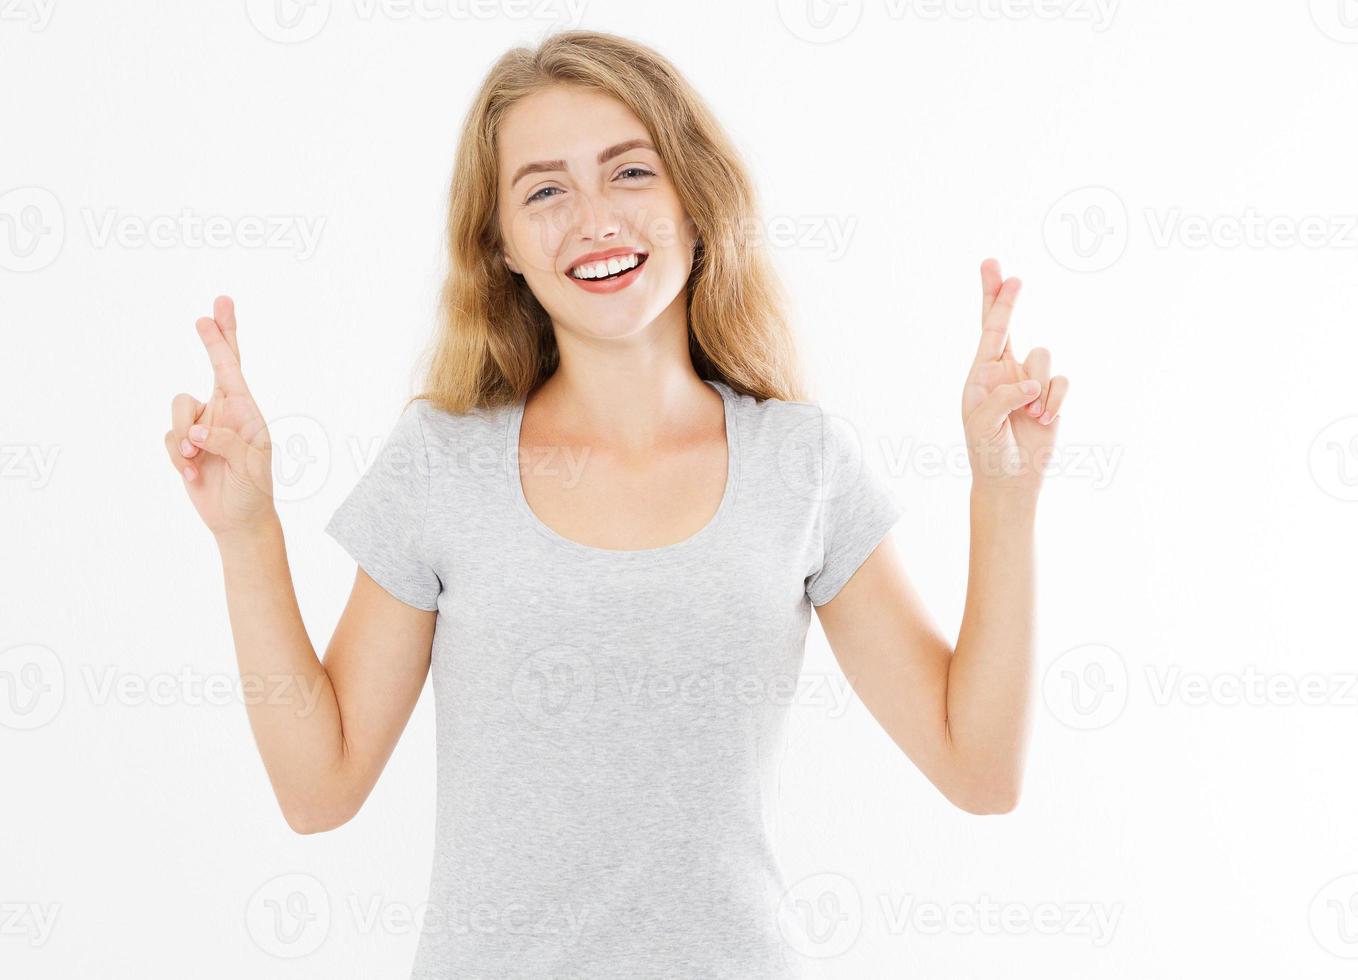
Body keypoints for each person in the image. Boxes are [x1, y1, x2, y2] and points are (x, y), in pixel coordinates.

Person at [163, 29, 1068, 980]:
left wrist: (1007, 497)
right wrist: (246, 533)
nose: (594, 219)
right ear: (501, 245)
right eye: (545, 190)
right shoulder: (442, 464)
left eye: (629, 173)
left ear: (694, 198)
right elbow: (319, 790)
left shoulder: (801, 465)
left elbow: (980, 771)